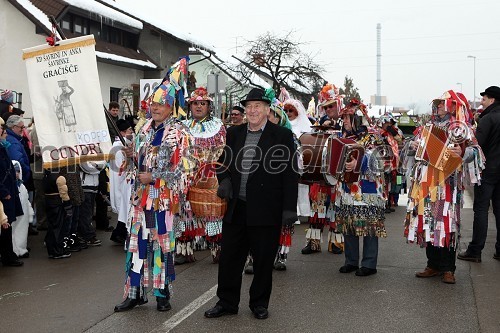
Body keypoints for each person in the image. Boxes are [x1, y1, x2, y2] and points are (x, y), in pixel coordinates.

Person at [204, 87, 298, 320]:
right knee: (229, 260)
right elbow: (222, 163)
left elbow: (290, 173)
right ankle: (227, 302)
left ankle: (259, 303)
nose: (253, 110)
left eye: (258, 106)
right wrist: (224, 181)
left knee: (264, 260)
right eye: (249, 107)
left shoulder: (282, 136)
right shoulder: (234, 133)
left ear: (267, 110)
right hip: (237, 208)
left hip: (267, 209)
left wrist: (288, 208)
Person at [114, 57, 196, 313]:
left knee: (162, 244)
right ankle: (135, 293)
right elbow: (135, 165)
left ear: (171, 106)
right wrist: (130, 157)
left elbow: (186, 169)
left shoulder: (180, 133)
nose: (156, 108)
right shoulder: (144, 130)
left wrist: (156, 178)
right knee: (137, 243)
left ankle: (162, 293)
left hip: (163, 201)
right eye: (153, 104)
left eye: (161, 104)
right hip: (141, 200)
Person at [406, 90, 484, 283]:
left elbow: (476, 151)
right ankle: (432, 265)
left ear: (451, 105)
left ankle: (449, 269)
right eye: (437, 103)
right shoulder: (427, 126)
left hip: (448, 183)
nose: (438, 106)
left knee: (447, 224)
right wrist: (413, 146)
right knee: (429, 222)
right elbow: (409, 143)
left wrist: (462, 151)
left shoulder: (460, 128)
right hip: (427, 182)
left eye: (442, 103)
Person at [334, 98, 387, 277]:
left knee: (370, 226)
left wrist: (361, 161)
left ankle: (369, 263)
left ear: (357, 119)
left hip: (368, 188)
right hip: (347, 188)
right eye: (344, 119)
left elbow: (382, 160)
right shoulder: (341, 139)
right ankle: (351, 261)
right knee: (349, 223)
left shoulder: (373, 136)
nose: (345, 122)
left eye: (348, 118)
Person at [181, 86, 226, 264]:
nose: (198, 107)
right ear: (190, 107)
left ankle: (218, 250)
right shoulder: (182, 126)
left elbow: (222, 149)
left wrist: (207, 163)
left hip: (210, 173)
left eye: (203, 103)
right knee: (185, 213)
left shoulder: (218, 126)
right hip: (187, 174)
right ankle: (184, 250)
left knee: (212, 212)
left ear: (209, 106)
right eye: (195, 104)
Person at [300, 83, 344, 256]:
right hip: (321, 171)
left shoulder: (346, 121)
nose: (328, 109)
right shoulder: (319, 122)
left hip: (338, 173)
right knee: (317, 208)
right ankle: (313, 242)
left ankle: (336, 243)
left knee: (336, 208)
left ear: (338, 104)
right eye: (325, 106)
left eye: (331, 106)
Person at [458, 85, 500, 262]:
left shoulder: (487, 119)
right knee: (499, 210)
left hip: (488, 170)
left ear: (492, 100)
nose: (481, 102)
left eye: (484, 99)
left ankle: (475, 251)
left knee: (481, 210)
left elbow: (477, 146)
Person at [0, 118, 24, 266]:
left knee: (7, 225)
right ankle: (8, 256)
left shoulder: (3, 147)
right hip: (4, 192)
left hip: (8, 189)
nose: (4, 133)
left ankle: (8, 254)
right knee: (5, 224)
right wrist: (3, 191)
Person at [109, 119, 134, 245]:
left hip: (124, 180)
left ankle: (119, 234)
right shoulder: (118, 147)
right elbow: (120, 168)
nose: (132, 132)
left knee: (125, 211)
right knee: (125, 210)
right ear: (122, 132)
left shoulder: (124, 145)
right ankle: (120, 234)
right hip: (122, 180)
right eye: (130, 130)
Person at [11, 161, 33, 258]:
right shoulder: (10, 187)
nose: (16, 174)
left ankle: (21, 248)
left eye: (18, 171)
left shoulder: (22, 186)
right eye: (14, 171)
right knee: (12, 231)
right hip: (13, 213)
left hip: (23, 214)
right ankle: (13, 250)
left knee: (22, 230)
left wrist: (30, 212)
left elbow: (27, 199)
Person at [5, 115, 31, 184]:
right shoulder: (13, 142)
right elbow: (17, 161)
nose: (23, 129)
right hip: (19, 180)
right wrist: (27, 171)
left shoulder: (11, 138)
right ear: (13, 127)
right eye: (21, 127)